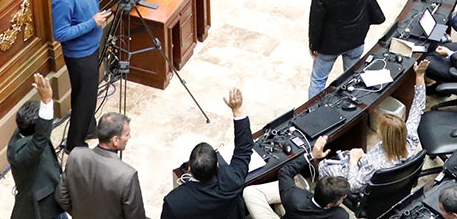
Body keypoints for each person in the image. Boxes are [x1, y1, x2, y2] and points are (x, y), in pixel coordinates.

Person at [314, 60, 425, 194]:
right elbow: (418, 108)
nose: (377, 129)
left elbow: (354, 186)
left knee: (324, 166)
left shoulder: (375, 164)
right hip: (388, 175)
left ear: (384, 136)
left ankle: (324, 193)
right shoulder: (410, 140)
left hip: (360, 174)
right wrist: (419, 76)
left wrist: (354, 161)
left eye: (379, 128)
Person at [50, 0, 113, 150]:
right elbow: (60, 33)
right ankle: (74, 143)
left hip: (92, 45)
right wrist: (91, 23)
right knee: (84, 98)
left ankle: (89, 127)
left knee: (89, 94)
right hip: (79, 55)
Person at [162, 88, 252, 219]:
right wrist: (237, 111)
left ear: (189, 169)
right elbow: (244, 150)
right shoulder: (232, 181)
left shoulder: (174, 202)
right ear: (217, 166)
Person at [57, 112, 147, 219]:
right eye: (127, 135)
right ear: (115, 140)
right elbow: (136, 216)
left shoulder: (76, 156)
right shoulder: (127, 175)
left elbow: (61, 196)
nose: (129, 137)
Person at [9, 72, 65, 219]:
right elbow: (40, 140)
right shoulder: (24, 153)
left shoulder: (22, 129)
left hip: (52, 190)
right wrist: (46, 102)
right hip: (43, 206)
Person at [243, 152, 350, 219]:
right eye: (342, 198)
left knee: (250, 192)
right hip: (293, 208)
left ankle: (287, 189)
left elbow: (285, 172)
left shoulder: (295, 197)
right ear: (329, 205)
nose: (343, 200)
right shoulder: (340, 215)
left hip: (293, 208)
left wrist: (312, 155)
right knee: (295, 183)